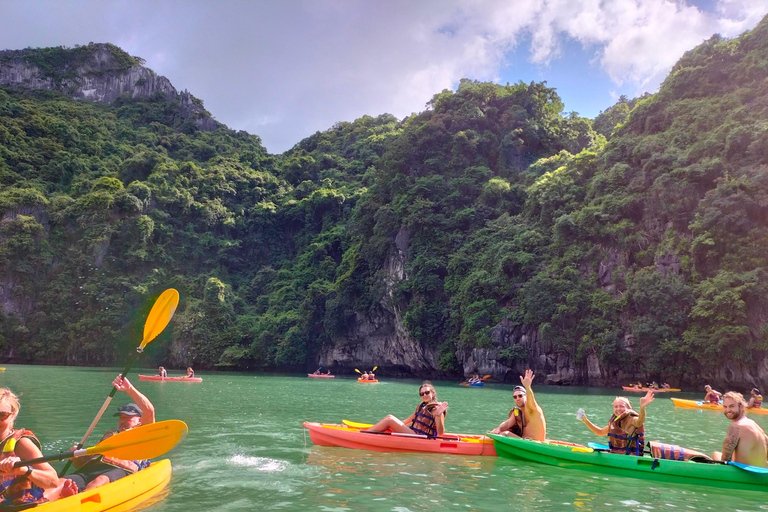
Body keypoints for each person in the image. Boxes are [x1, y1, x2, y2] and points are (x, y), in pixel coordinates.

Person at [57, 376, 156, 496]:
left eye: (128, 417)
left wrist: (129, 389)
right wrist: (76, 456)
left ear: (139, 421)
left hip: (119, 470)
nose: (122, 421)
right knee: (61, 482)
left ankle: (79, 501)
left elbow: (149, 410)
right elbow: (83, 463)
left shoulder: (143, 433)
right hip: (92, 469)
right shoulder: (110, 435)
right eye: (121, 417)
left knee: (100, 481)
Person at [0, 388, 58, 508]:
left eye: (2, 415)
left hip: (20, 507)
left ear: (13, 415)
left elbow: (53, 481)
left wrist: (25, 470)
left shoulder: (22, 444)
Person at [578, 390, 654, 456]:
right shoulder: (616, 421)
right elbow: (600, 432)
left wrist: (642, 408)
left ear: (628, 408)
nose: (618, 409)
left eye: (621, 406)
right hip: (617, 454)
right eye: (616, 406)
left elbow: (640, 421)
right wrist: (586, 421)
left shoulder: (631, 419)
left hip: (630, 457)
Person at [365, 381, 447, 438]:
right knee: (389, 419)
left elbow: (440, 432)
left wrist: (439, 415)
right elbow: (407, 421)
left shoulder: (436, 409)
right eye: (422, 394)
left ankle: (365, 434)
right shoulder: (421, 406)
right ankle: (371, 431)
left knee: (390, 419)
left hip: (421, 438)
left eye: (427, 392)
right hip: (413, 433)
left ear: (433, 393)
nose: (424, 395)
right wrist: (391, 426)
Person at [713, 392, 768, 467]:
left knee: (715, 454)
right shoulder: (756, 426)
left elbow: (725, 459)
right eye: (725, 407)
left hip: (744, 473)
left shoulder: (735, 426)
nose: (728, 410)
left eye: (732, 406)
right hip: (761, 472)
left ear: (741, 407)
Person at [491, 369, 546, 441]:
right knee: (499, 431)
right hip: (523, 442)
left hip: (535, 444)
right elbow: (507, 424)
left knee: (506, 434)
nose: (517, 398)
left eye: (520, 396)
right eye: (515, 397)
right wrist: (498, 429)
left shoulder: (532, 408)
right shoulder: (517, 412)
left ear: (526, 395)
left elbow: (531, 401)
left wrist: (527, 387)